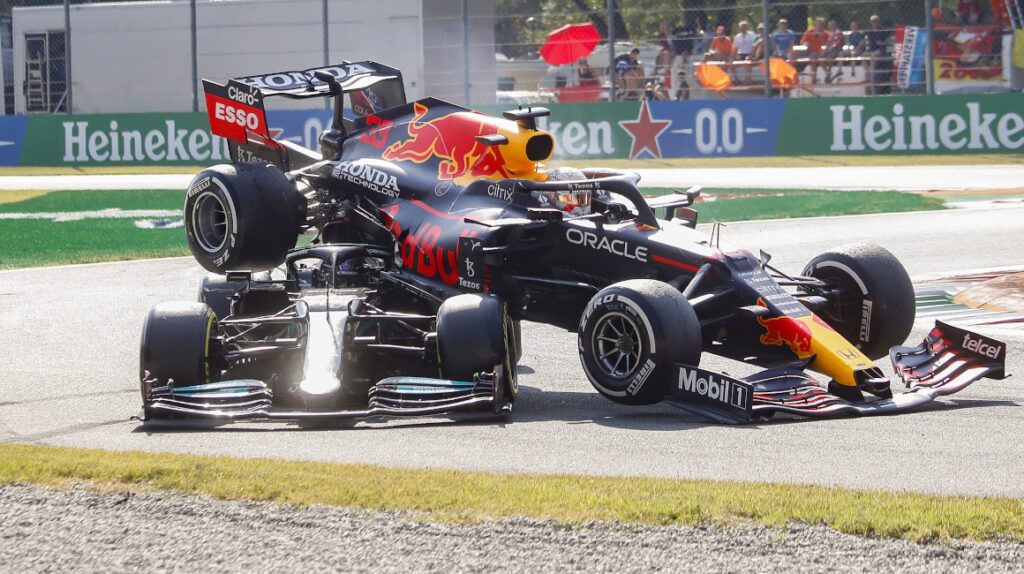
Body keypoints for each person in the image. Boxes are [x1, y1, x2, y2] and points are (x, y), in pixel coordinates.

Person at [865, 15, 893, 94]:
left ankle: (873, 72)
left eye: (875, 21)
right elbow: (868, 41)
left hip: (881, 49)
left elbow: (889, 41)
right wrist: (867, 43)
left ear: (878, 21)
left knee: (874, 55)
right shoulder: (870, 31)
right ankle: (869, 71)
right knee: (863, 56)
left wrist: (882, 43)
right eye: (873, 22)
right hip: (872, 49)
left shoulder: (883, 30)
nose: (874, 23)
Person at [800, 17, 828, 83]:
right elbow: (802, 41)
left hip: (818, 51)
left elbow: (829, 42)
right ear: (815, 24)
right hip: (808, 50)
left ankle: (814, 78)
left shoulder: (825, 33)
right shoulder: (810, 32)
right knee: (796, 53)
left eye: (822, 24)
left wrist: (826, 49)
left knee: (814, 57)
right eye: (819, 24)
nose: (820, 26)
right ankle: (796, 72)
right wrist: (806, 43)